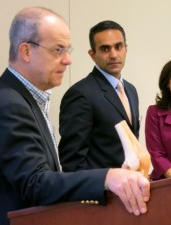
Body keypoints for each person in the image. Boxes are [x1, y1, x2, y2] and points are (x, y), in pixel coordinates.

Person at [0, 7, 150, 225]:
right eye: (58, 50)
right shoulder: (8, 104)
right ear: (26, 51)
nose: (67, 60)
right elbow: (35, 183)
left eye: (68, 50)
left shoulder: (22, 98)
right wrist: (107, 178)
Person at [59, 20, 140, 172]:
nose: (114, 54)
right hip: (100, 192)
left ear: (126, 49)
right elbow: (72, 161)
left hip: (131, 189)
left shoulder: (131, 90)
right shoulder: (80, 94)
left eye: (118, 46)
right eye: (105, 49)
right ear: (92, 55)